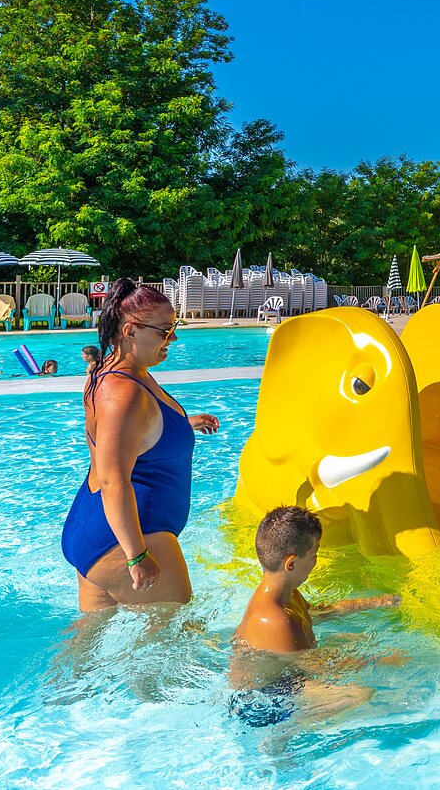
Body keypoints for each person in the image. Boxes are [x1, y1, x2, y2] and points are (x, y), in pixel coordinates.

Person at [61, 278, 222, 612]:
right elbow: (112, 479)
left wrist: (181, 425)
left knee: (87, 647)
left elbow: (118, 435)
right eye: (164, 330)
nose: (173, 338)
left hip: (93, 529)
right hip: (129, 537)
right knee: (175, 642)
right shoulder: (125, 393)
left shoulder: (108, 372)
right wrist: (136, 555)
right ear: (131, 330)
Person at [230, 506, 401, 727]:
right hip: (262, 703)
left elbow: (321, 614)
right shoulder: (275, 620)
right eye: (314, 554)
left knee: (357, 641)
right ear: (290, 564)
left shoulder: (287, 593)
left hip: (287, 677)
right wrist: (383, 661)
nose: (315, 561)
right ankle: (284, 731)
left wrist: (373, 603)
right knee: (358, 695)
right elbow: (321, 666)